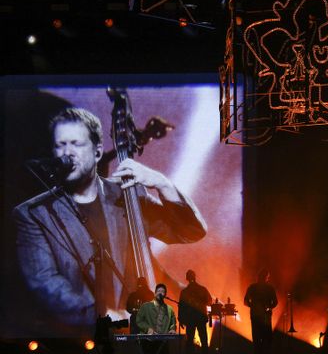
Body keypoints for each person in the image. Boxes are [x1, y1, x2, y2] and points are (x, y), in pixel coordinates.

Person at [13, 107, 208, 335]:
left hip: (144, 332)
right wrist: (105, 316)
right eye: (60, 145)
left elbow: (191, 232)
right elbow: (47, 284)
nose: (67, 153)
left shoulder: (128, 196)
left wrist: (162, 183)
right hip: (85, 339)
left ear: (97, 152)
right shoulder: (33, 214)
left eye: (76, 144)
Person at [136, 283, 177, 354]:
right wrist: (148, 329)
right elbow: (139, 320)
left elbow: (173, 322)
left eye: (163, 292)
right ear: (155, 293)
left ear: (165, 295)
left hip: (163, 342)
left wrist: (172, 329)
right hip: (148, 341)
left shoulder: (169, 309)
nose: (160, 293)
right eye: (159, 291)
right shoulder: (145, 306)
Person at [244, 268, 278, 354]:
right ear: (266, 277)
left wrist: (253, 306)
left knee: (256, 339)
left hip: (255, 316)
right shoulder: (270, 288)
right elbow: (275, 302)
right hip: (266, 317)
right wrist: (268, 307)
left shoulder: (252, 287)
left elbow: (245, 301)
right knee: (267, 339)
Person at [179, 269, 213, 354]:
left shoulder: (184, 292)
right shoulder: (202, 289)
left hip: (190, 319)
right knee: (204, 341)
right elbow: (209, 301)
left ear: (187, 278)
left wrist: (181, 319)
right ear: (195, 277)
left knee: (190, 341)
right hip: (201, 318)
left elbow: (181, 307)